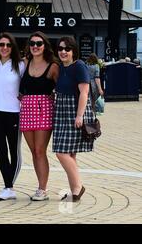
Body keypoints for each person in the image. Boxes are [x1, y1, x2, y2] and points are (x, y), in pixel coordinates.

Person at [53, 36, 96, 202]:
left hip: (74, 111)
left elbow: (84, 92)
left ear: (73, 51)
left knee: (61, 152)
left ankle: (78, 186)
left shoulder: (79, 66)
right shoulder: (62, 67)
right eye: (61, 49)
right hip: (61, 111)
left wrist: (79, 116)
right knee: (70, 154)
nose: (63, 52)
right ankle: (74, 190)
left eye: (67, 49)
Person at [0, 32, 25, 201]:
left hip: (14, 114)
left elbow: (30, 83)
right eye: (1, 45)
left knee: (14, 151)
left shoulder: (21, 65)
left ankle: (9, 186)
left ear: (12, 47)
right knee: (1, 152)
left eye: (8, 45)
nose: (5, 48)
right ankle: (8, 186)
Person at [19, 31, 59, 201]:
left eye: (39, 43)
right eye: (32, 43)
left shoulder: (53, 66)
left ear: (45, 46)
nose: (35, 46)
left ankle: (42, 189)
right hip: (27, 108)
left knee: (40, 150)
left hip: (44, 109)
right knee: (33, 151)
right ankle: (39, 185)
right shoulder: (25, 62)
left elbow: (62, 86)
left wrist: (55, 96)